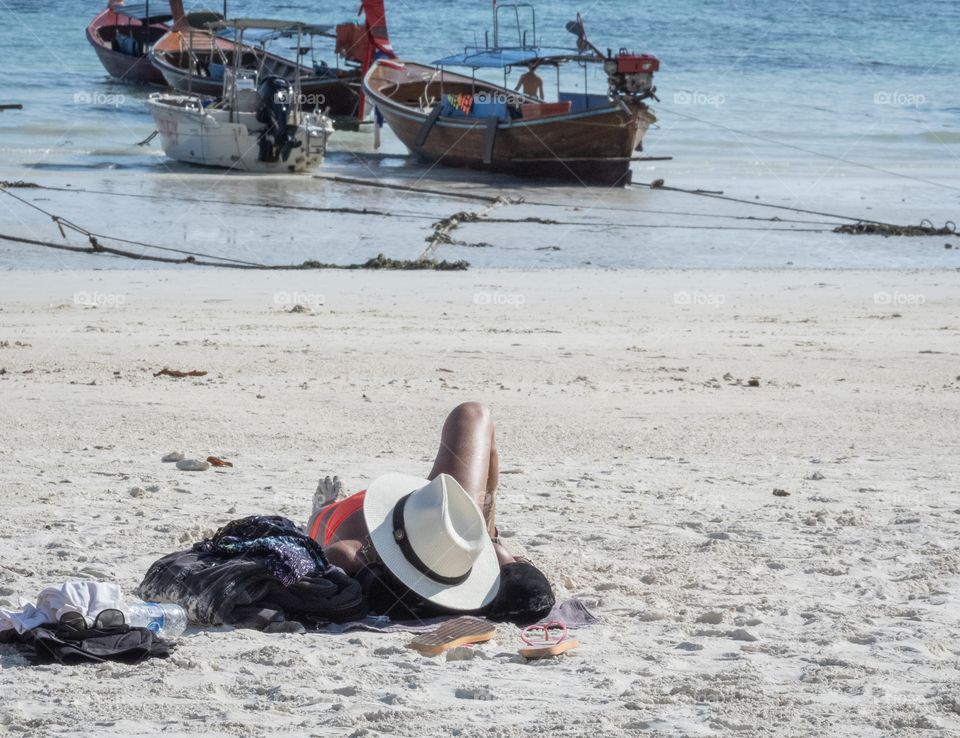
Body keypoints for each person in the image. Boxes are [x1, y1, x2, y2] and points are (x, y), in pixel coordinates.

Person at [308, 402, 555, 625]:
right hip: (440, 520)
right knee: (474, 415)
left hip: (380, 515)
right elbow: (526, 589)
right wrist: (490, 534)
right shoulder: (460, 533)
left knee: (326, 521)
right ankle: (487, 527)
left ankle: (327, 504)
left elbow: (321, 567)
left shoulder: (352, 552)